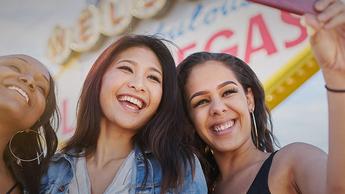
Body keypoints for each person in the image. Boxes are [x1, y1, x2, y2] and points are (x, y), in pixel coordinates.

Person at [177, 0, 345, 193]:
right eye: (201, 101)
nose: (218, 107)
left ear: (249, 99)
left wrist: (337, 75)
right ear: (188, 118)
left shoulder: (291, 162)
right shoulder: (192, 188)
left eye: (228, 92)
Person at [40, 35, 207, 194]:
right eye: (126, 68)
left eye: (153, 77)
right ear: (99, 78)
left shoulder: (180, 169)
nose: (138, 85)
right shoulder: (49, 171)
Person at [0, 54, 59, 194]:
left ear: (35, 121)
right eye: (14, 67)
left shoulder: (31, 188)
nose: (30, 80)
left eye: (41, 88)